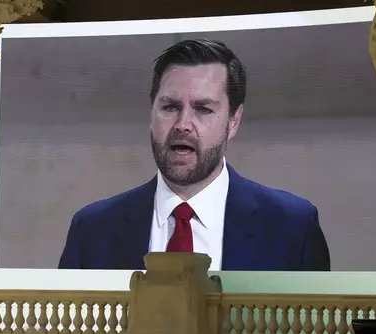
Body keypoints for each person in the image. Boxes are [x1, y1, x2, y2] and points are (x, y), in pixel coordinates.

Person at [58, 38, 330, 271]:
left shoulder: (293, 227)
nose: (183, 124)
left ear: (234, 121)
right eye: (170, 106)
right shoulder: (92, 230)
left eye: (203, 109)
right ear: (151, 113)